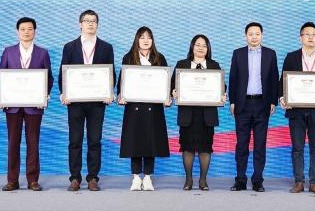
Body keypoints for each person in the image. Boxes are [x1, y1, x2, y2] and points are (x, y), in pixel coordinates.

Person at [59, 10, 115, 192]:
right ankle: (75, 177)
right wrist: (64, 93)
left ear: (97, 24)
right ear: (80, 24)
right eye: (87, 20)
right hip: (75, 101)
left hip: (97, 102)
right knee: (75, 140)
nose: (90, 24)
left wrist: (109, 91)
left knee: (95, 140)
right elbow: (63, 72)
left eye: (94, 21)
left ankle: (93, 178)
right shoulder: (69, 47)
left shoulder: (106, 47)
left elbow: (111, 73)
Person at [280, 22, 315, 194]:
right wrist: (283, 98)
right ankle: (298, 182)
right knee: (297, 148)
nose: (311, 37)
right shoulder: (291, 57)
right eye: (307, 34)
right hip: (296, 110)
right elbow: (283, 82)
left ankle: (314, 183)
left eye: (314, 34)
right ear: (300, 38)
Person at [0, 17, 52, 191]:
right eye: (23, 29)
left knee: (33, 142)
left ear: (35, 31)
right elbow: (2, 75)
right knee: (13, 142)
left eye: (30, 29)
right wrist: (2, 97)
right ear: (17, 32)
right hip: (12, 105)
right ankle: (12, 180)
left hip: (34, 105)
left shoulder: (43, 53)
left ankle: (32, 180)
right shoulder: (8, 51)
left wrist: (43, 96)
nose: (26, 32)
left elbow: (48, 78)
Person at [228, 22, 280, 192]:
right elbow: (233, 78)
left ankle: (258, 180)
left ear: (262, 35)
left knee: (260, 144)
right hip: (242, 104)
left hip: (262, 104)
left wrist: (273, 101)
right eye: (251, 34)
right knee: (241, 144)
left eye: (257, 34)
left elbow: (274, 78)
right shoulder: (238, 53)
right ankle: (240, 180)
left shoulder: (270, 54)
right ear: (245, 36)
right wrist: (232, 101)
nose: (254, 37)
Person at [118, 26, 171, 191]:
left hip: (153, 108)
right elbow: (121, 83)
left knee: (150, 141)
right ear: (137, 40)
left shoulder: (159, 58)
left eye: (149, 37)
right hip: (133, 108)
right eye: (142, 37)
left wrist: (167, 97)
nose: (146, 40)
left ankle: (147, 177)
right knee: (134, 141)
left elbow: (166, 83)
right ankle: (135, 177)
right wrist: (121, 95)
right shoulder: (128, 58)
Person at [172, 34, 223, 191]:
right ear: (192, 47)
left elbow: (222, 86)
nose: (201, 48)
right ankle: (188, 180)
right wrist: (174, 92)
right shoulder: (182, 64)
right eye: (198, 45)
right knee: (187, 147)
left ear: (208, 49)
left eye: (204, 45)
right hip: (187, 113)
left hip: (207, 114)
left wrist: (222, 94)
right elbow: (173, 84)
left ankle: (203, 180)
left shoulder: (214, 65)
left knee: (205, 147)